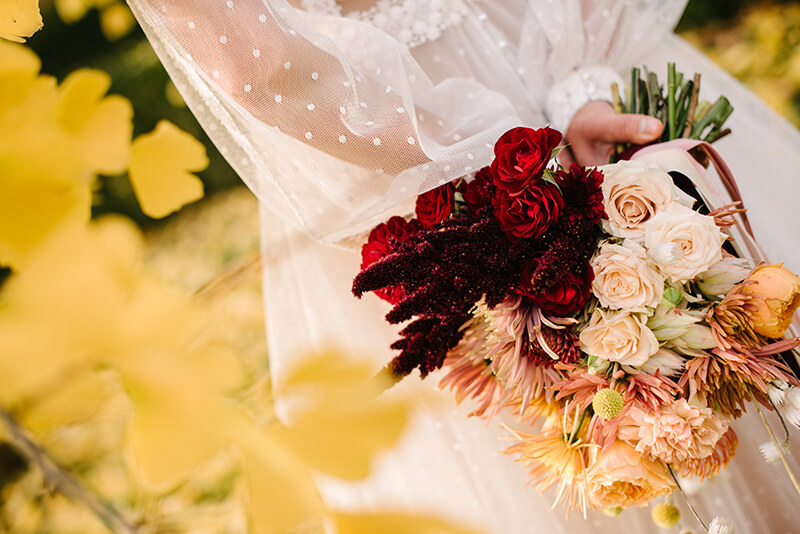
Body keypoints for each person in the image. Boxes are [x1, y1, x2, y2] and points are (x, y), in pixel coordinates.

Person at [125, 0, 800, 531]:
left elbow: (257, 60)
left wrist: (563, 97)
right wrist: (491, 163)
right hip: (396, 152)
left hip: (470, 95)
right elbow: (258, 63)